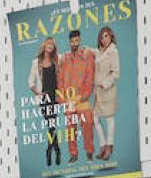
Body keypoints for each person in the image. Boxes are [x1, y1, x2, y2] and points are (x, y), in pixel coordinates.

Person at [57, 29, 97, 159]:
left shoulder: (87, 56)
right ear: (69, 42)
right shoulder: (64, 58)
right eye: (72, 41)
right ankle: (73, 154)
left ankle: (89, 151)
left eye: (76, 40)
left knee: (87, 124)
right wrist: (62, 99)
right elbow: (60, 79)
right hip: (68, 99)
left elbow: (90, 77)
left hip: (82, 98)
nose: (74, 43)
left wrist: (84, 96)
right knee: (70, 128)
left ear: (80, 40)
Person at [26, 38, 62, 167]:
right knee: (51, 126)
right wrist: (38, 93)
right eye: (48, 43)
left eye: (53, 45)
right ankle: (54, 150)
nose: (50, 46)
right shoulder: (36, 62)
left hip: (55, 97)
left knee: (52, 126)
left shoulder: (57, 59)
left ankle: (50, 151)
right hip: (44, 99)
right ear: (44, 45)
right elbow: (30, 82)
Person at [94, 26, 122, 162]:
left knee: (109, 118)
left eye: (106, 36)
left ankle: (109, 147)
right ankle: (103, 145)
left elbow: (116, 73)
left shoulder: (113, 52)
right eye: (101, 37)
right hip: (98, 92)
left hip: (107, 90)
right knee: (94, 118)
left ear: (111, 36)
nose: (104, 39)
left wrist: (104, 83)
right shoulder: (100, 51)